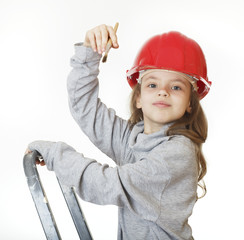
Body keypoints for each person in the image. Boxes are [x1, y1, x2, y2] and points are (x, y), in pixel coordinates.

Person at [27, 24, 211, 239]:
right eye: (152, 85)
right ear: (139, 98)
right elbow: (85, 109)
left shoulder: (177, 154)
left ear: (190, 102)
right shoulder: (134, 139)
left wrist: (56, 153)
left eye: (176, 87)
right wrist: (90, 52)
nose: (163, 91)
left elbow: (106, 184)